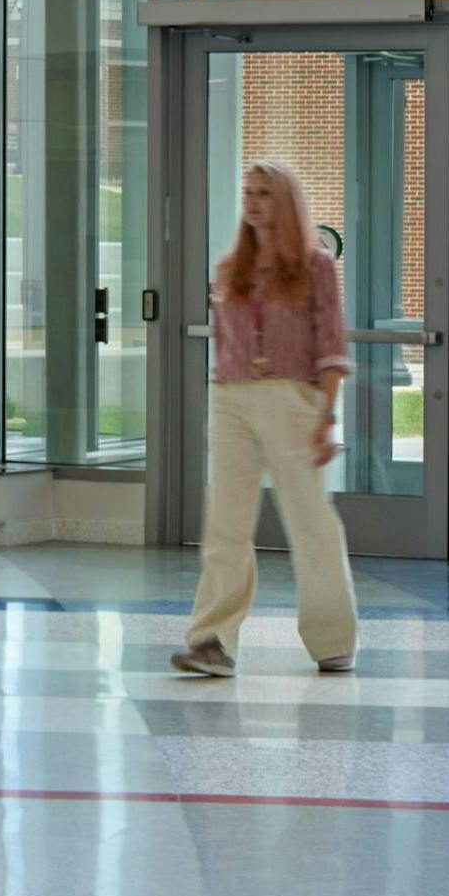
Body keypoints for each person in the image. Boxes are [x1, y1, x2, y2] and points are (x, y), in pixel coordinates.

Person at [176, 163, 358, 679]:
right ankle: (212, 642)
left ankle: (332, 638)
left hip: (293, 399)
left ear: (287, 202)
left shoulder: (315, 266)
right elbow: (225, 342)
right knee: (225, 525)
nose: (253, 202)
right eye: (248, 193)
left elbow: (332, 346)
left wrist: (326, 415)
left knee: (310, 521)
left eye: (265, 194)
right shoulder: (229, 267)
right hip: (232, 398)